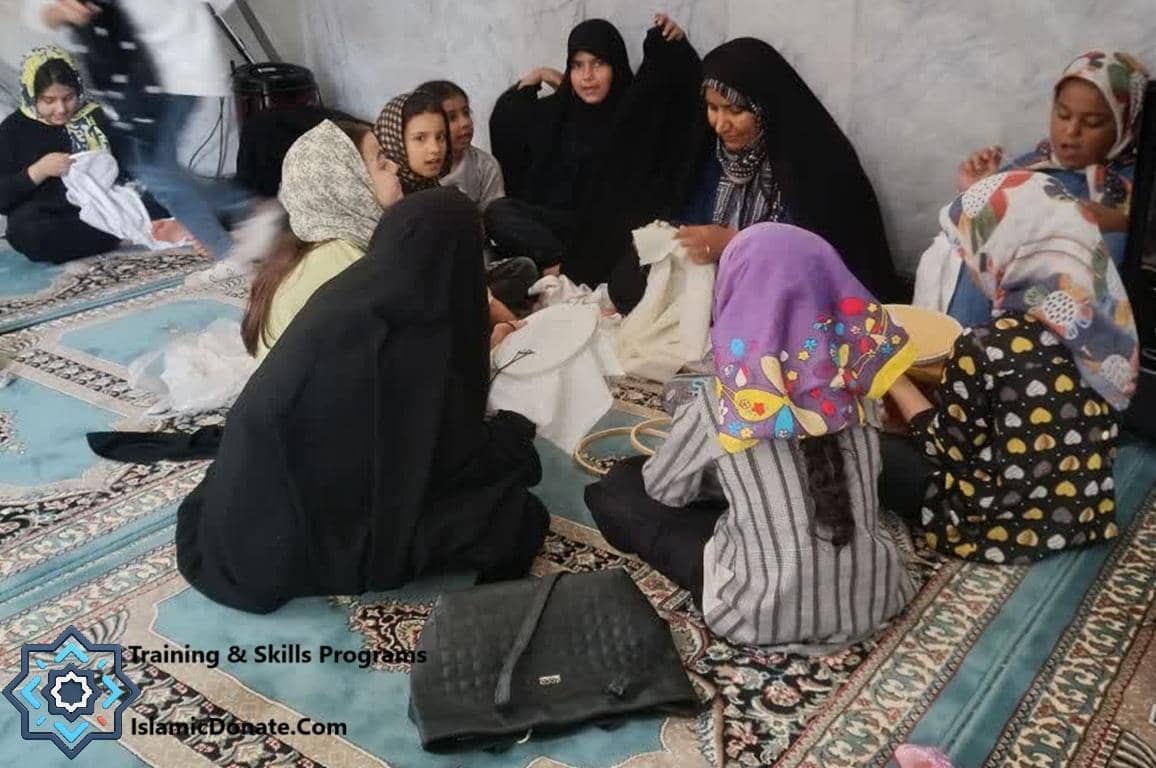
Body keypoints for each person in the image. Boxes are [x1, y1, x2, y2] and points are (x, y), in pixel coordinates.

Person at [176, 188, 550, 614]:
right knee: (515, 517)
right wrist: (516, 433)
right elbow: (444, 459)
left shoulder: (354, 297)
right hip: (291, 543)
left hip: (240, 516)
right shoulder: (414, 338)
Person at [586, 223, 917, 650]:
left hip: (757, 614)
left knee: (618, 489)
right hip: (875, 598)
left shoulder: (725, 400)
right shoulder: (861, 379)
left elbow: (665, 490)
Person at [884, 171, 1138, 565]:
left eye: (967, 253)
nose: (968, 268)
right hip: (1084, 513)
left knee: (870, 448)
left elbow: (945, 449)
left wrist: (895, 380)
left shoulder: (985, 345)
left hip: (995, 526)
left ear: (1002, 253)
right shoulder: (1105, 327)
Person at [610, 37, 904, 312]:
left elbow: (818, 258)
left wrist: (737, 243)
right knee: (628, 279)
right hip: (724, 281)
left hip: (795, 296)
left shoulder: (815, 165)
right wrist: (669, 238)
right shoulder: (716, 154)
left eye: (735, 110)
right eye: (712, 108)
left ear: (764, 107)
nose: (720, 124)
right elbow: (691, 216)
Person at [27, 0, 283, 285]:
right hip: (139, 82)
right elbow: (39, 13)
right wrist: (59, 12)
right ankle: (246, 222)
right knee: (158, 175)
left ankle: (240, 229)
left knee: (159, 176)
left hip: (174, 74)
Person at [487, 14, 703, 286]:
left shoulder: (633, 113)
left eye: (598, 64)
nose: (587, 77)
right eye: (577, 66)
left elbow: (680, 106)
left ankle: (566, 270)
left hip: (611, 229)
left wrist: (676, 45)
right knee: (498, 213)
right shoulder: (560, 114)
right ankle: (559, 264)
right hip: (563, 228)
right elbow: (508, 123)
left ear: (615, 66)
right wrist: (536, 78)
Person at [939, 51, 1149, 326]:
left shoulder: (1138, 189)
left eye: (1092, 123)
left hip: (1051, 345)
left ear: (1126, 125)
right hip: (976, 330)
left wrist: (1119, 225)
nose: (1071, 132)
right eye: (1063, 114)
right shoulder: (1034, 163)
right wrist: (982, 190)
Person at [241, 119, 402, 360]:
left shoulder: (319, 245)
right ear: (347, 184)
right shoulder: (342, 261)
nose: (395, 167)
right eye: (381, 162)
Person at [0, 46, 144, 263]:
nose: (61, 109)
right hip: (54, 215)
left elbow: (130, 164)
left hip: (107, 202)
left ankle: (119, 229)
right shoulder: (12, 130)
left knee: (169, 194)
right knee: (25, 231)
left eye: (68, 98)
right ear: (31, 95)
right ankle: (116, 235)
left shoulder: (95, 114)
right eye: (49, 101)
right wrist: (37, 172)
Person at [417, 80, 506, 209]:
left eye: (466, 112)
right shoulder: (415, 168)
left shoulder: (485, 166)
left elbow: (496, 216)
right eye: (451, 117)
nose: (465, 123)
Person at [372, 90, 452, 195]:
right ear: (395, 141)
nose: (435, 149)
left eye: (440, 137)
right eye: (420, 138)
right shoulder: (388, 197)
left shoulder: (431, 187)